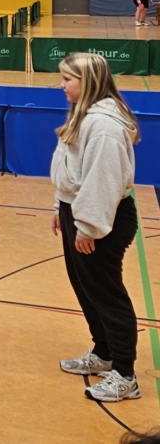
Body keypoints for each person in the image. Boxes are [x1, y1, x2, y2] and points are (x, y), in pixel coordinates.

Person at [53, 52, 142, 403]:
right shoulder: (83, 113)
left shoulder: (104, 126)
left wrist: (89, 227)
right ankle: (104, 353)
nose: (62, 86)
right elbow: (70, 167)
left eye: (67, 80)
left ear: (87, 82)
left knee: (106, 294)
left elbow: (102, 180)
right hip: (78, 211)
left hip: (102, 218)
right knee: (86, 288)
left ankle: (125, 375)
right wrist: (59, 205)